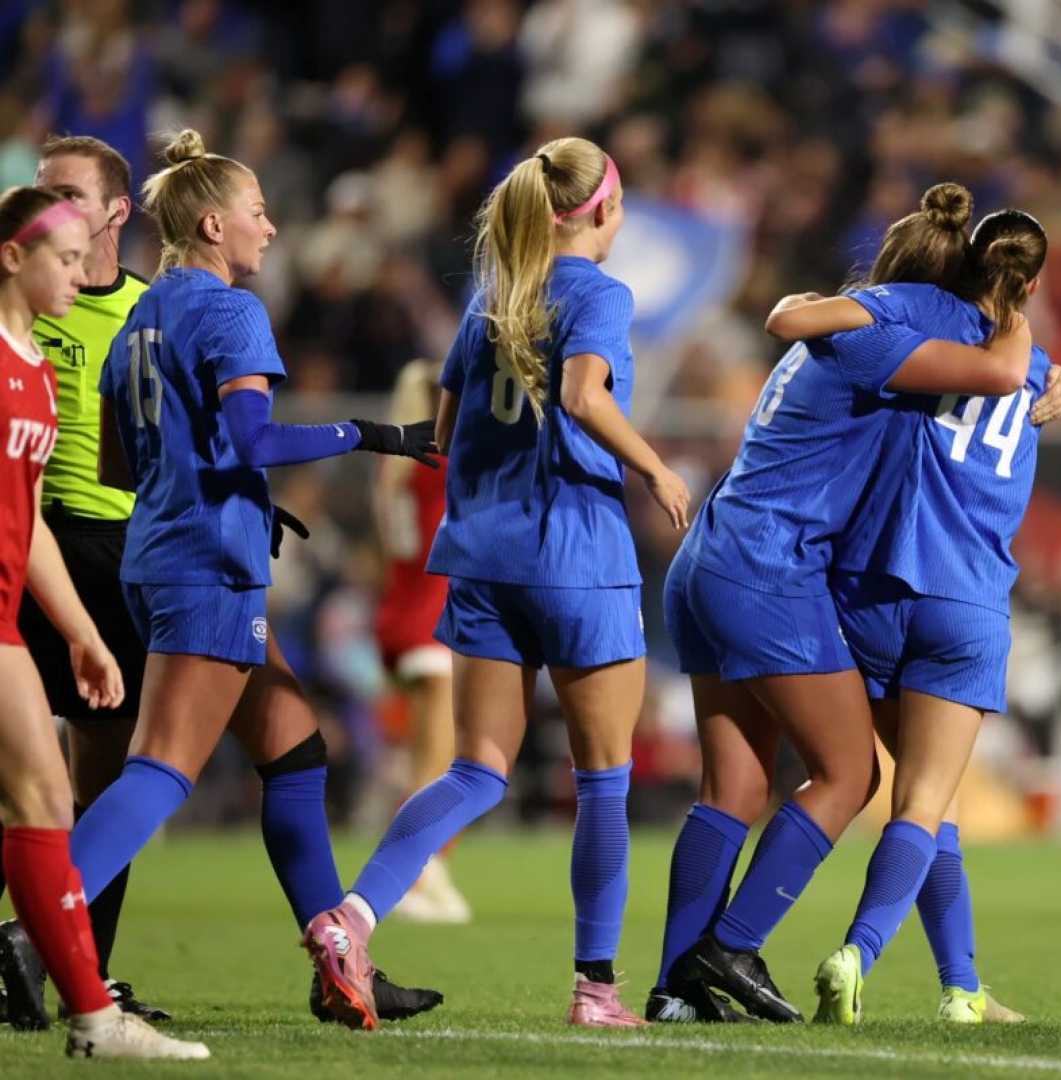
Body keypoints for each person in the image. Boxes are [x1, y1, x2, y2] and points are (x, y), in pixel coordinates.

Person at [302, 136, 689, 1031]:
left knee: (477, 767)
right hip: (577, 554)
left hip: (480, 553)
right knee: (603, 780)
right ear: (604, 212)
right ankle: (596, 992)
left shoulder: (492, 297)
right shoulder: (597, 292)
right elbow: (589, 395)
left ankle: (350, 919)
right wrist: (654, 470)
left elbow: (442, 426)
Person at [655, 184, 1057, 1024]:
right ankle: (729, 948)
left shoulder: (849, 319)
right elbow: (1004, 370)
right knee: (852, 774)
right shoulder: (899, 330)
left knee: (732, 787)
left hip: (706, 559)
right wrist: (1037, 347)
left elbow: (801, 320)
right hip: (770, 569)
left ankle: (675, 993)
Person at [67, 129, 444, 1021]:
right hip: (208, 564)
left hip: (156, 553)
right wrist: (374, 434)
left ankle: (339, 960)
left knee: (297, 750)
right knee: (161, 767)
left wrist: (241, 501)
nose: (271, 228)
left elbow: (125, 463)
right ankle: (37, 926)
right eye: (258, 211)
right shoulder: (232, 312)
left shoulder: (140, 314)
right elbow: (254, 441)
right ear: (212, 223)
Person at [0, 184, 207, 1060]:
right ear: (13, 257)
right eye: (63, 257)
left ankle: (92, 1018)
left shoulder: (36, 369)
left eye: (86, 255)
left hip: (7, 622)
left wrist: (82, 631)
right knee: (42, 796)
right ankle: (93, 1016)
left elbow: (29, 519)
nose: (82, 272)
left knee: (46, 798)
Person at [372, 358, 469, 925]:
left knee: (428, 757)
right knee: (437, 764)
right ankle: (416, 869)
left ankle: (427, 867)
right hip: (432, 622)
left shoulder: (396, 466)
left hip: (397, 615)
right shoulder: (439, 459)